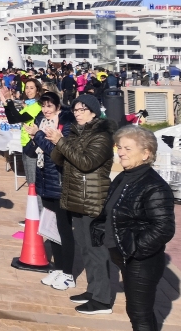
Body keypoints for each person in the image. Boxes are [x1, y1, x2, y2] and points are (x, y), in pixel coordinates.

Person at [92, 126, 175, 330]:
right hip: (125, 255)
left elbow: (164, 227)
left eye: (128, 149)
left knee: (139, 314)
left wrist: (134, 248)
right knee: (138, 312)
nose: (120, 153)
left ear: (146, 153)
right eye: (119, 147)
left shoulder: (154, 185)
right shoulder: (125, 176)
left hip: (142, 260)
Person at [47, 94, 116, 315]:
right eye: (75, 110)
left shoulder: (102, 136)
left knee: (96, 250)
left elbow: (86, 163)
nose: (77, 113)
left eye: (82, 110)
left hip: (92, 199)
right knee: (85, 248)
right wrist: (58, 142)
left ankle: (103, 299)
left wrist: (62, 142)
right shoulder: (76, 133)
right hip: (76, 198)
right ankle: (93, 290)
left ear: (94, 112)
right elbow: (58, 159)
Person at [24, 92, 75, 291]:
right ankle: (59, 268)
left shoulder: (65, 126)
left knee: (64, 228)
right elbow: (29, 152)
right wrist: (32, 137)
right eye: (43, 106)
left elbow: (57, 154)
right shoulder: (42, 124)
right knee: (50, 228)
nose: (45, 110)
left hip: (60, 183)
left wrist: (38, 135)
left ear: (58, 106)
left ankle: (68, 273)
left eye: (49, 106)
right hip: (45, 182)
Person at [1, 78, 43, 186]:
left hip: (32, 143)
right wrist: (6, 103)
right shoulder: (29, 105)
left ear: (38, 90)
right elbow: (12, 119)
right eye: (26, 88)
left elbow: (18, 118)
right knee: (29, 177)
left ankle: (35, 201)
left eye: (32, 88)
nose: (28, 91)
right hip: (25, 143)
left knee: (32, 180)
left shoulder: (37, 106)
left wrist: (10, 101)